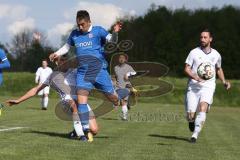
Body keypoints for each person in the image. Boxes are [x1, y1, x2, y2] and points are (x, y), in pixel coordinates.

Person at [49, 10, 123, 131]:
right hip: (82, 73)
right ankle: (85, 129)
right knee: (81, 100)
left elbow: (112, 41)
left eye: (82, 24)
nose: (80, 27)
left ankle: (121, 99)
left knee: (114, 98)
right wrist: (56, 53)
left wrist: (115, 32)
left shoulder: (98, 30)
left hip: (99, 71)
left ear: (89, 22)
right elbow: (67, 47)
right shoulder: (75, 34)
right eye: (78, 24)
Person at [6, 56, 98, 142]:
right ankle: (81, 136)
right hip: (66, 102)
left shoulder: (75, 71)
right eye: (61, 60)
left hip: (81, 101)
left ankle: (75, 131)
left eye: (65, 60)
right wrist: (18, 100)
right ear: (57, 63)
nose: (64, 62)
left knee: (94, 130)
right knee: (73, 104)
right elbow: (36, 90)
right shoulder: (53, 76)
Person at [184, 29, 231, 143]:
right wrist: (195, 77)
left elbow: (219, 69)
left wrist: (224, 81)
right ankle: (191, 121)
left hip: (208, 86)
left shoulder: (216, 55)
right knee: (190, 115)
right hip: (193, 87)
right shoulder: (193, 52)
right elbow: (186, 69)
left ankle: (195, 135)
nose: (202, 39)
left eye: (205, 37)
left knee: (203, 108)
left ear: (210, 39)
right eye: (201, 37)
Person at [114, 53, 136, 120]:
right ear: (118, 59)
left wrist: (128, 75)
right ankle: (126, 106)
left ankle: (124, 117)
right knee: (121, 101)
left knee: (124, 101)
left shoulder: (128, 67)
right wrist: (114, 82)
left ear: (125, 60)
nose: (121, 59)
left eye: (123, 58)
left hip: (126, 86)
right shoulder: (115, 68)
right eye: (120, 58)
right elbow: (115, 77)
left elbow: (134, 73)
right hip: (118, 87)